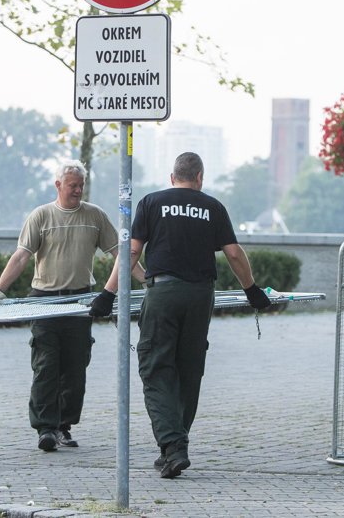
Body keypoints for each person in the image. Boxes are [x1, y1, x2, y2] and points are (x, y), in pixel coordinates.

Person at [100, 152, 272, 479]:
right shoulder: (213, 207)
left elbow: (132, 251)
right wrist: (252, 290)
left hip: (163, 293)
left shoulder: (152, 203)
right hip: (200, 295)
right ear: (199, 178)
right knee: (189, 369)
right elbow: (233, 253)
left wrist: (108, 293)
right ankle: (174, 447)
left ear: (172, 177)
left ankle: (173, 445)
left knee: (155, 366)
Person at [0, 159, 144, 452]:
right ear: (58, 185)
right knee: (46, 365)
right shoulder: (41, 217)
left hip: (81, 301)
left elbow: (121, 253)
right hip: (44, 301)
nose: (78, 190)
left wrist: (146, 280)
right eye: (72, 185)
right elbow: (21, 256)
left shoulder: (95, 217)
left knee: (75, 366)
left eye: (81, 185)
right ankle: (45, 428)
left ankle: (64, 425)